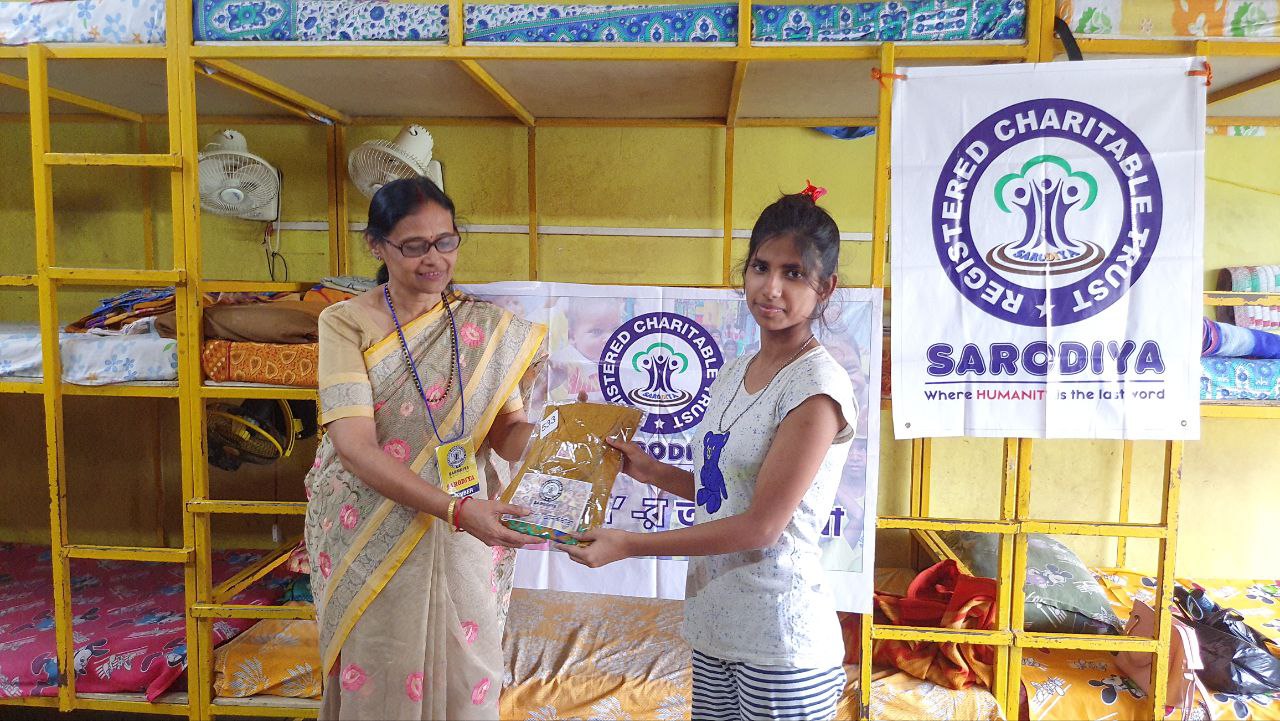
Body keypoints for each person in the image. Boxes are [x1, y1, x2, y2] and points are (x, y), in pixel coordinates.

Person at [560, 186, 858, 721]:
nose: (771, 288)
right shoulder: (735, 371)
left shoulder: (816, 388)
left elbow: (762, 526)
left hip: (780, 642)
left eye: (793, 273)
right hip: (715, 625)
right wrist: (651, 470)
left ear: (826, 288)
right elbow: (726, 494)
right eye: (761, 267)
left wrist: (629, 544)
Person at [305, 177, 545, 720]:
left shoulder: (484, 328)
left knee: (469, 675)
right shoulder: (345, 323)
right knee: (382, 670)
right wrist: (456, 509)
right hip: (373, 523)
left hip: (465, 531)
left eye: (446, 241)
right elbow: (354, 447)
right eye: (414, 245)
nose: (434, 259)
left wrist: (562, 438)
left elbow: (507, 434)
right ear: (377, 245)